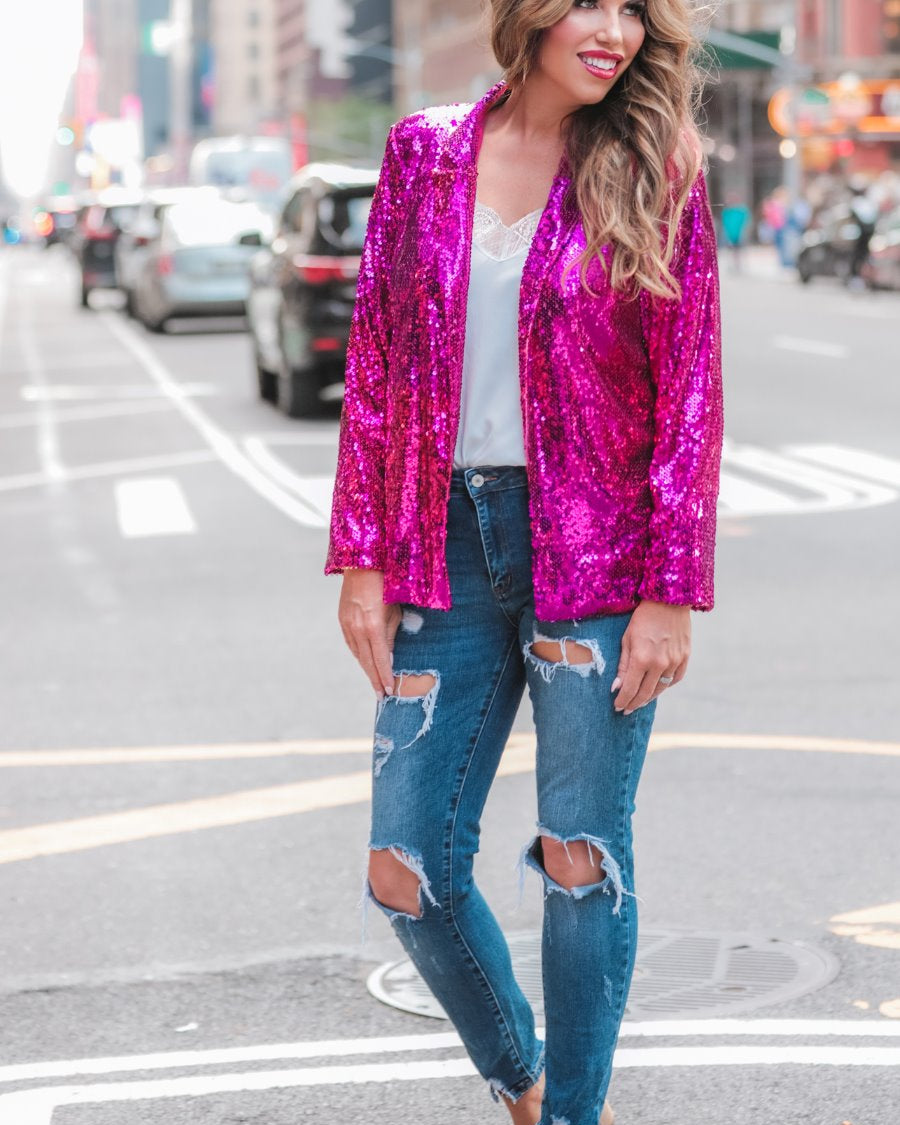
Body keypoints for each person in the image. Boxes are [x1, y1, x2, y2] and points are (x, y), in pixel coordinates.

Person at [326, 2, 723, 1123]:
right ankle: (524, 1079)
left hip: (595, 556)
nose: (616, 30)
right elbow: (380, 359)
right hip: (440, 546)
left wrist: (668, 592)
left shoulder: (656, 162)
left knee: (578, 859)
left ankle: (572, 1118)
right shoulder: (426, 151)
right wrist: (364, 553)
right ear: (530, 14)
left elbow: (691, 391)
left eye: (635, 11)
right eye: (590, 3)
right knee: (404, 864)